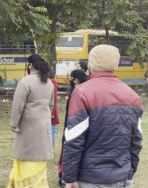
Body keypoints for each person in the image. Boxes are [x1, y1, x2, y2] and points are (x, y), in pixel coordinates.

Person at [61, 45, 143, 188]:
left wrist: (69, 178)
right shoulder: (132, 96)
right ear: (116, 64)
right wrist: (130, 171)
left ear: (91, 64)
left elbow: (74, 139)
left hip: (90, 179)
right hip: (122, 176)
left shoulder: (82, 92)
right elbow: (136, 140)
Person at [7, 54, 55, 187]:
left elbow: (18, 105)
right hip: (44, 125)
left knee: (26, 158)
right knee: (39, 159)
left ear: (30, 65)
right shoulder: (49, 82)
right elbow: (51, 105)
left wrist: (14, 123)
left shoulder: (26, 81)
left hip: (28, 127)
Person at [58, 68, 88, 187]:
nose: (70, 80)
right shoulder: (79, 91)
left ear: (76, 79)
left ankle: (66, 177)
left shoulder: (78, 92)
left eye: (72, 77)